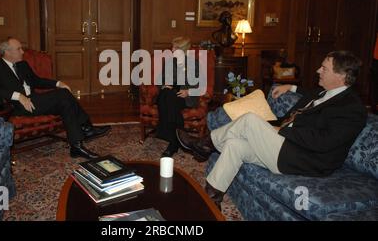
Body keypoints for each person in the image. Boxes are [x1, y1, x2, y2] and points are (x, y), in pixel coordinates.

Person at [179, 50, 367, 208]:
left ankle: (204, 144)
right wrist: (290, 87)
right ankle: (211, 201)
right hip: (286, 146)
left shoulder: (352, 109)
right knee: (234, 144)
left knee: (250, 121)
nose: (318, 70)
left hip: (304, 158)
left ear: (341, 76)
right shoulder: (323, 91)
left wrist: (283, 131)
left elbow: (323, 141)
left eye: (324, 68)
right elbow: (309, 94)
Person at [0, 37, 111, 159]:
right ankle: (86, 128)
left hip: (35, 100)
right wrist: (18, 96)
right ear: (7, 52)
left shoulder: (22, 64)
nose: (22, 51)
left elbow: (37, 81)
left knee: (65, 102)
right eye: (19, 49)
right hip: (18, 106)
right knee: (63, 95)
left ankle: (76, 146)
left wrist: (57, 83)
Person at [156, 36, 200, 157]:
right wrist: (164, 84)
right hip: (171, 93)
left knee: (167, 97)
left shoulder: (194, 64)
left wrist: (188, 92)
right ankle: (175, 141)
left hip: (185, 95)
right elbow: (159, 80)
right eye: (172, 47)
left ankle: (167, 135)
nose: (172, 49)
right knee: (167, 94)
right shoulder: (170, 62)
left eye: (175, 47)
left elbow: (198, 85)